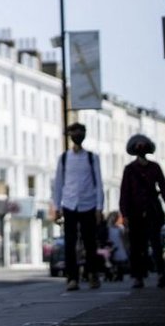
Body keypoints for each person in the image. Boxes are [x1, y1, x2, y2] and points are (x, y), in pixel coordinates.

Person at [119, 134, 165, 289]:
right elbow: (124, 193)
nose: (141, 149)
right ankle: (138, 277)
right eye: (138, 147)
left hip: (152, 212)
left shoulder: (154, 167)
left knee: (156, 245)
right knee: (137, 247)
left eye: (143, 146)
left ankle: (161, 274)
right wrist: (124, 215)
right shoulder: (129, 170)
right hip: (135, 213)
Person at [52, 122, 104, 291]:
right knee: (70, 243)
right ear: (70, 135)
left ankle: (92, 275)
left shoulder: (91, 157)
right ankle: (72, 278)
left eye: (81, 131)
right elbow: (58, 183)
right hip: (69, 204)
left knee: (90, 243)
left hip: (88, 204)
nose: (77, 134)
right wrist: (56, 206)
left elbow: (99, 184)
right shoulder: (65, 158)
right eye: (74, 131)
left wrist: (99, 207)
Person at [106, 211, 129, 281]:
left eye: (115, 217)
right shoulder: (107, 228)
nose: (114, 219)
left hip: (118, 244)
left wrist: (125, 246)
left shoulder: (119, 228)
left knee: (119, 262)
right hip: (110, 245)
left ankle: (119, 275)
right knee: (111, 261)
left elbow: (123, 238)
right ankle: (111, 275)